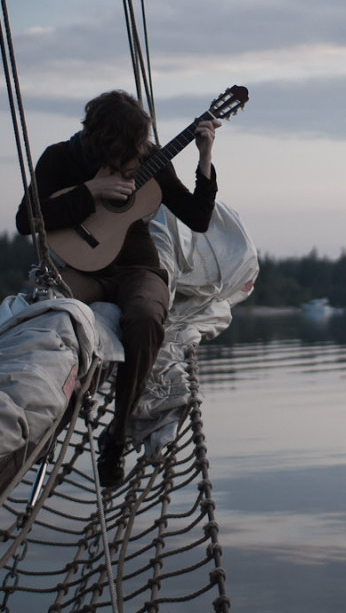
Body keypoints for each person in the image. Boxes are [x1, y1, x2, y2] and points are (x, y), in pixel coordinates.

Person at [16, 90, 220, 487]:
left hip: (136, 266)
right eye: (127, 149)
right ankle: (46, 423)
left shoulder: (148, 158)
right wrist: (90, 192)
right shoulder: (61, 158)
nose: (134, 156)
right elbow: (28, 220)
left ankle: (117, 433)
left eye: (137, 147)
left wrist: (205, 156)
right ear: (101, 141)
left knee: (146, 319)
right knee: (53, 319)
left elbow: (197, 217)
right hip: (82, 266)